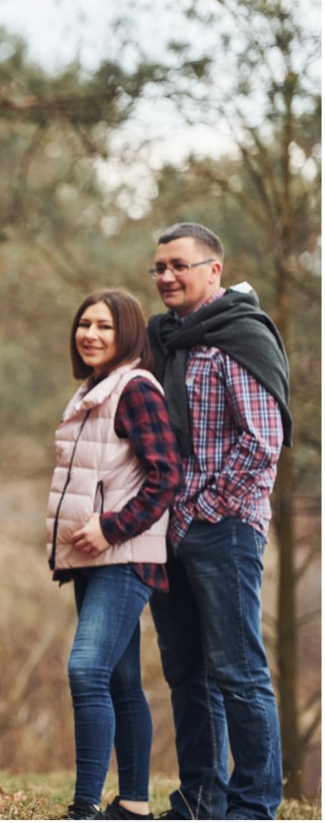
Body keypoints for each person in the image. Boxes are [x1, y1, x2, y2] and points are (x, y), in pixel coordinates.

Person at [145, 222, 291, 820]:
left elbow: (262, 444)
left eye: (179, 265)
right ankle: (201, 797)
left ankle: (254, 804)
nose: (166, 277)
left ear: (214, 270)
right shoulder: (165, 340)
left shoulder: (238, 336)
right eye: (158, 268)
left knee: (238, 671)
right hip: (165, 530)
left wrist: (200, 509)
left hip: (224, 527)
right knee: (186, 672)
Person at [47, 289, 182, 821]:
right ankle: (131, 804)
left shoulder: (135, 389)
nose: (91, 335)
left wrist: (111, 528)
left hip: (125, 558)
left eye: (104, 326)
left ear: (127, 333)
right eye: (84, 324)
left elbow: (165, 475)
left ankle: (84, 809)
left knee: (85, 670)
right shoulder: (91, 390)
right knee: (120, 680)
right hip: (91, 558)